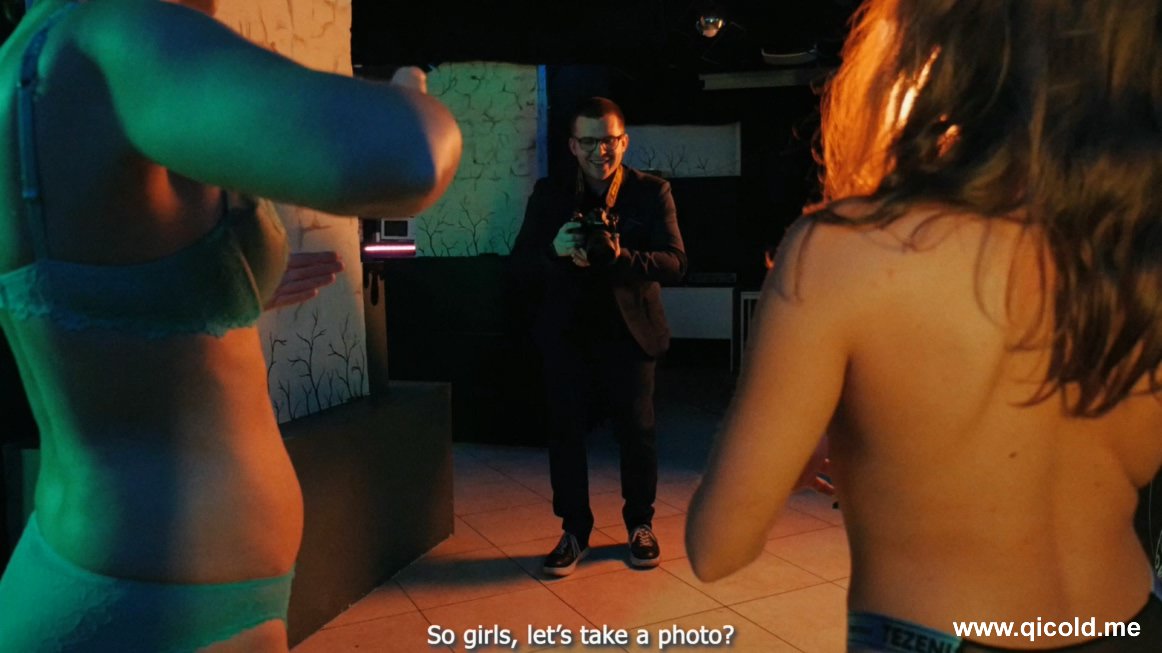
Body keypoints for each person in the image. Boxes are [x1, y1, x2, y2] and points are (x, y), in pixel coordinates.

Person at [687, 0, 1162, 651]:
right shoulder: (1139, 246)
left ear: (935, 53)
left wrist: (814, 442)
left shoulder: (848, 250)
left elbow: (719, 545)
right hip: (1133, 623)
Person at [0, 0, 461, 651]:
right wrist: (412, 79)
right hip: (161, 603)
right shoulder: (121, 30)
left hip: (103, 569)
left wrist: (224, 287)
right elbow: (408, 157)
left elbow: (72, 300)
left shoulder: (25, 58)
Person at [511, 96, 686, 577]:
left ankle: (640, 524)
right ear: (572, 145)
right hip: (567, 334)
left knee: (638, 435)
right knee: (565, 435)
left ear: (624, 142)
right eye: (588, 141)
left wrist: (622, 256)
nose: (599, 151)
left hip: (631, 335)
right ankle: (574, 530)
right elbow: (519, 266)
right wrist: (553, 250)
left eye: (608, 140)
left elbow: (676, 263)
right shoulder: (549, 194)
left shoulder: (651, 192)